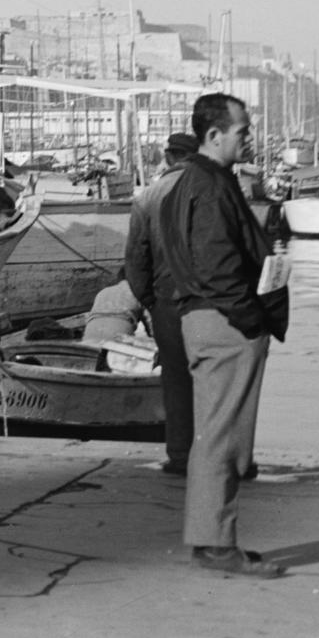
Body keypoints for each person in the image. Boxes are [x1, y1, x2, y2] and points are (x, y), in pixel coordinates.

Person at [159, 93, 288, 579]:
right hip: (224, 322)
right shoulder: (210, 186)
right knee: (223, 438)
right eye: (242, 130)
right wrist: (251, 320)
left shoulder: (185, 184)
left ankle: (211, 540)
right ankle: (216, 547)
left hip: (203, 317)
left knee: (215, 434)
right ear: (214, 135)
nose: (248, 137)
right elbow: (217, 266)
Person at [123, 133, 200, 476]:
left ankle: (181, 454)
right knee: (213, 377)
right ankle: (218, 451)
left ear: (168, 158)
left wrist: (150, 301)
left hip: (167, 300)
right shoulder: (214, 191)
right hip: (211, 300)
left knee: (177, 379)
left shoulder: (146, 199)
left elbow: (135, 262)